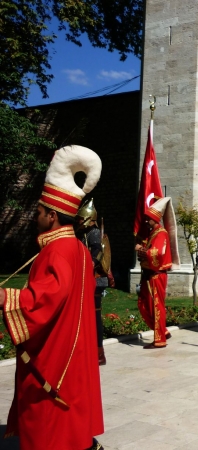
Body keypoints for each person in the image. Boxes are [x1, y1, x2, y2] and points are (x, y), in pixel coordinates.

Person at [0, 145, 104, 449]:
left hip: (55, 351)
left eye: (40, 212)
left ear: (52, 215)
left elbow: (43, 300)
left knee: (49, 423)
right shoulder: (79, 249)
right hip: (73, 346)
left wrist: (5, 298)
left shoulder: (57, 251)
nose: (36, 217)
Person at [135, 196, 180, 348]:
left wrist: (141, 250)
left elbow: (157, 253)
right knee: (143, 305)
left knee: (156, 306)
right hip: (149, 274)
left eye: (149, 218)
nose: (147, 221)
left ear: (156, 219)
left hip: (156, 275)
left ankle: (160, 339)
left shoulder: (161, 233)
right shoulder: (152, 233)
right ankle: (162, 331)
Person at [75, 198, 113, 365]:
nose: (79, 221)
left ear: (89, 218)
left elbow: (97, 251)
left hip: (96, 281)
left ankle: (99, 353)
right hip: (88, 280)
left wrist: (88, 265)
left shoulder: (94, 233)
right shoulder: (84, 233)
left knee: (95, 316)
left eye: (81, 218)